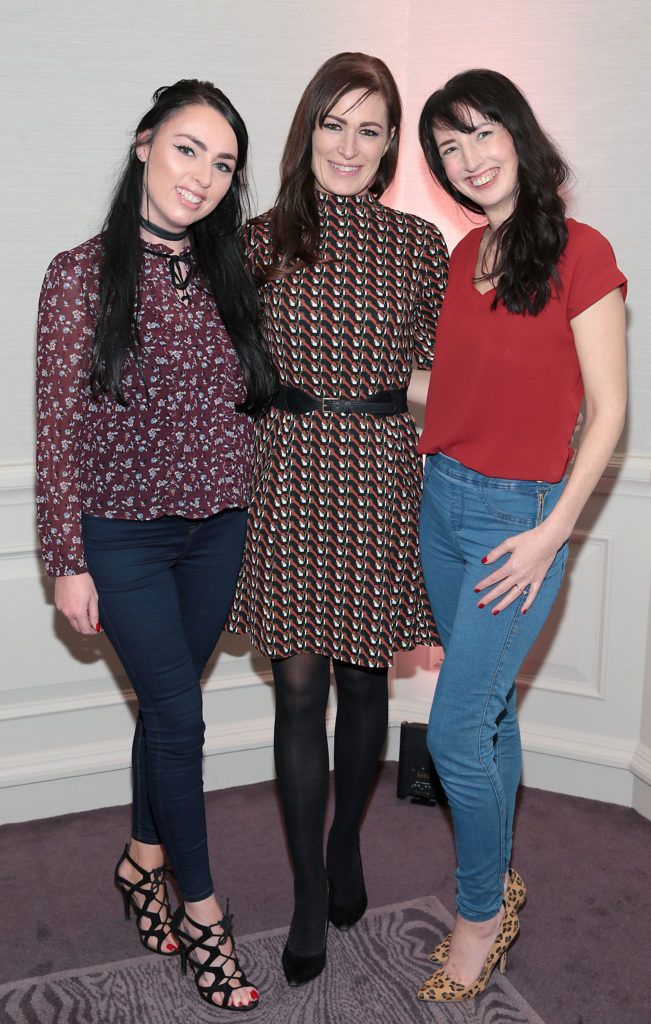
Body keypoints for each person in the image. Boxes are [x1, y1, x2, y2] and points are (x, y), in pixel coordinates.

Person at [36, 79, 277, 1012]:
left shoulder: (231, 274)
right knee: (182, 720)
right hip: (122, 541)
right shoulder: (80, 272)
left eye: (223, 165)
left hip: (218, 531)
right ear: (144, 145)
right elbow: (57, 427)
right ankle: (204, 915)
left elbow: (245, 413)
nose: (205, 177)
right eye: (188, 150)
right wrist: (65, 558)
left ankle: (140, 865)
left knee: (166, 714)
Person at [226, 51, 448, 987]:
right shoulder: (257, 241)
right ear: (306, 129)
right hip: (290, 473)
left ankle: (347, 840)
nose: (348, 145)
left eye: (369, 128)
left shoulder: (420, 246)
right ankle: (310, 886)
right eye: (333, 123)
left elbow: (445, 380)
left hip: (381, 473)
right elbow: (230, 376)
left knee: (366, 688)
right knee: (298, 692)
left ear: (391, 142)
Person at [416, 69, 627, 1002]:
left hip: (518, 519)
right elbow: (453, 393)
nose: (469, 159)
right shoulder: (464, 256)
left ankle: (477, 913)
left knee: (454, 731)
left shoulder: (581, 250)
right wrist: (327, 389)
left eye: (479, 131)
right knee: (490, 712)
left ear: (518, 131)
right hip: (441, 502)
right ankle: (496, 878)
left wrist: (550, 535)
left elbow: (611, 414)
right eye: (448, 149)